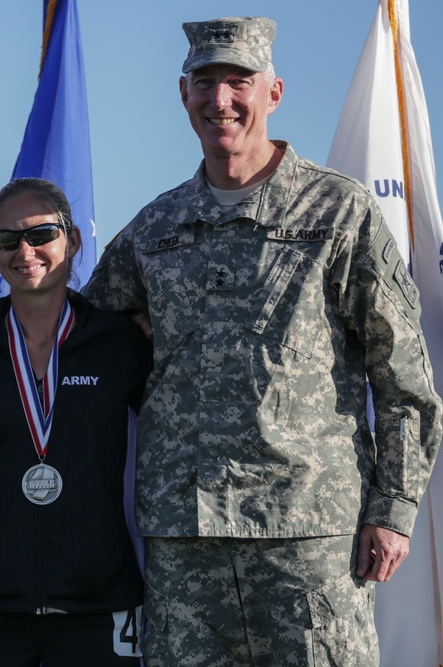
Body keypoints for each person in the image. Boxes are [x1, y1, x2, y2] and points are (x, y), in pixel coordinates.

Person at [82, 16, 442, 666]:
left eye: (238, 80)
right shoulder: (154, 229)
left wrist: (392, 507)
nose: (222, 99)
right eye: (206, 82)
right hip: (186, 541)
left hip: (308, 538)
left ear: (273, 91)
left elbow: (405, 376)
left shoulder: (339, 213)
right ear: (184, 93)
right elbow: (81, 341)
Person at [0, 178, 148, 666]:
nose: (25, 250)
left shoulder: (118, 344)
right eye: (7, 239)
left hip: (97, 601)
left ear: (73, 240)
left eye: (41, 234)